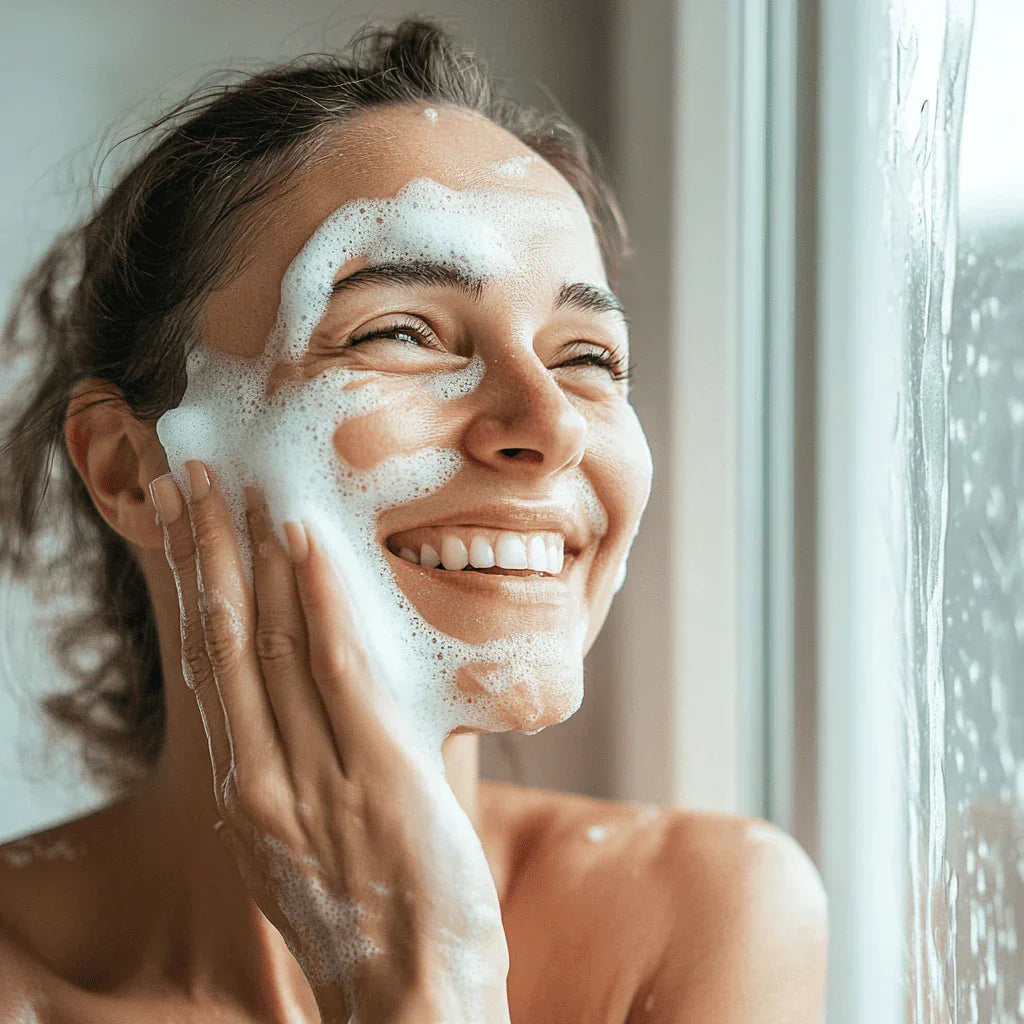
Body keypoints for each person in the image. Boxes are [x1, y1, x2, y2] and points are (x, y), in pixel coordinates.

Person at [0, 18, 827, 1023]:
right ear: (130, 467)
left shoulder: (701, 913)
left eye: (587, 357)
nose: (552, 424)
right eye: (402, 331)